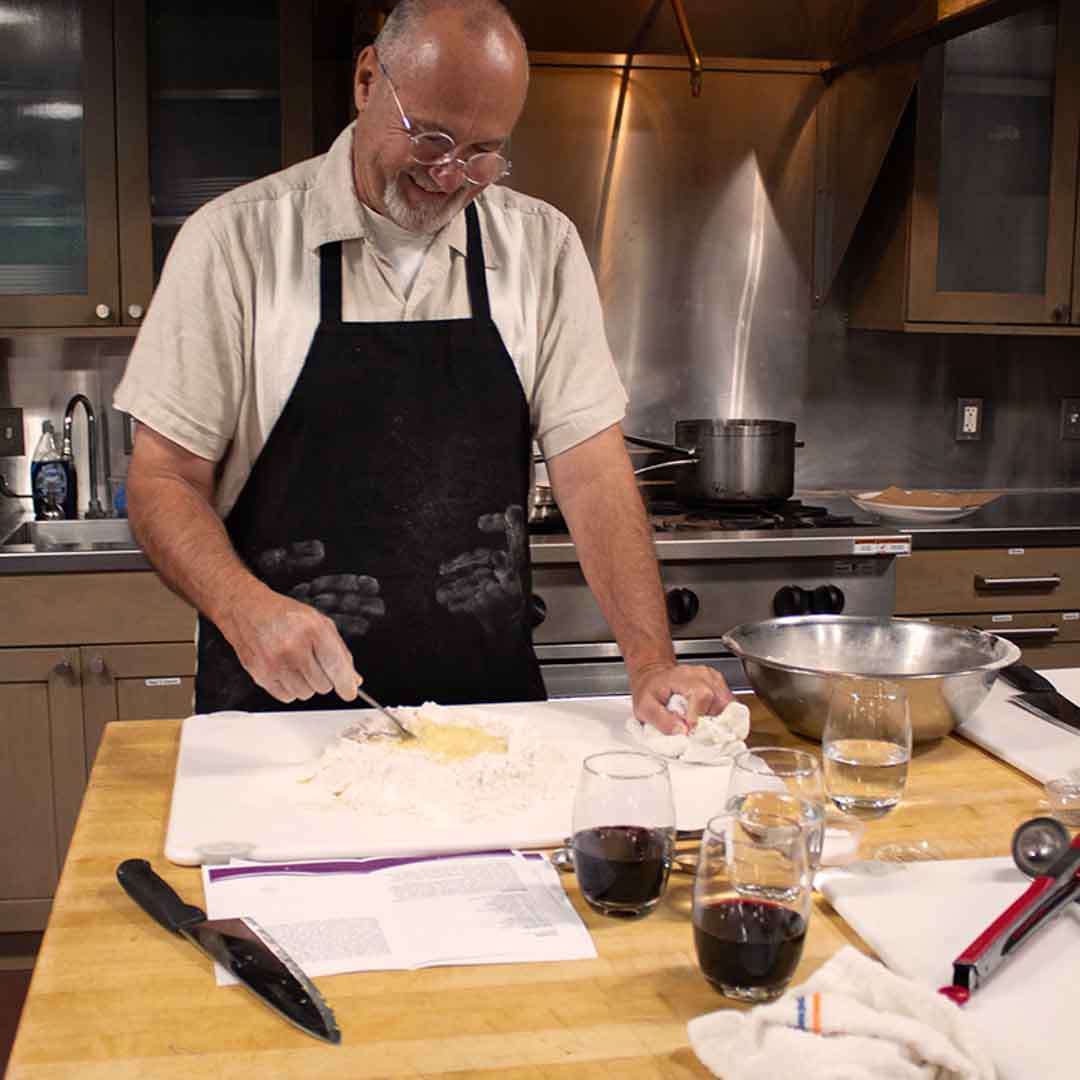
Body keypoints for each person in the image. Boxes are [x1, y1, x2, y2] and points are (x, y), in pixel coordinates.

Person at [114, 0, 733, 734]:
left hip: (489, 727)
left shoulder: (542, 248)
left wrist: (649, 663)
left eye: (483, 152)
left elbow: (592, 469)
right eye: (431, 137)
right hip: (272, 726)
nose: (449, 174)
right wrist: (242, 607)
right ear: (368, 80)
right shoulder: (232, 245)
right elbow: (161, 480)